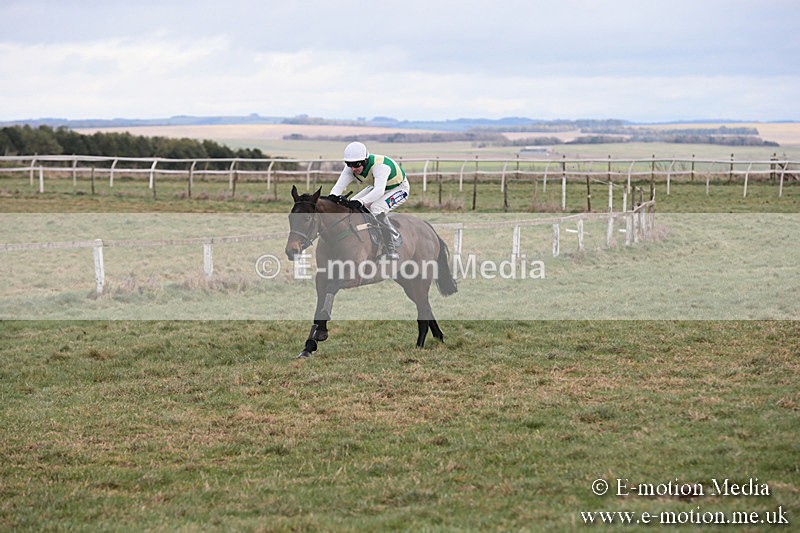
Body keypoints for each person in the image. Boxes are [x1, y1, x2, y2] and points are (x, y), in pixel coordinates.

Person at [329, 141, 410, 260]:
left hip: (398, 188)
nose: (353, 168)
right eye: (349, 164)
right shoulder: (351, 168)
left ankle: (391, 245)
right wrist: (332, 197)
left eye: (356, 165)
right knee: (353, 202)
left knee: (377, 208)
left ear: (365, 161)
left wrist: (361, 201)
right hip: (377, 186)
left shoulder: (380, 166)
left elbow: (379, 191)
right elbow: (338, 187)